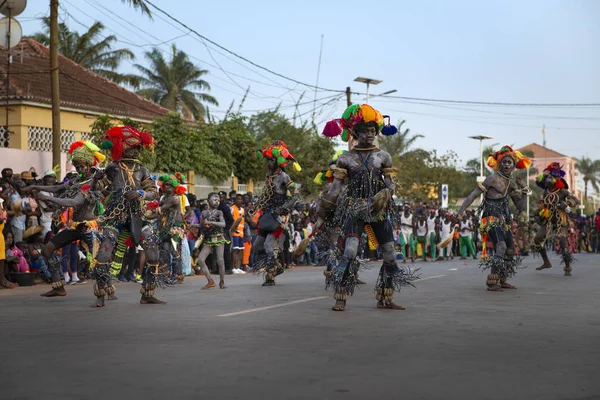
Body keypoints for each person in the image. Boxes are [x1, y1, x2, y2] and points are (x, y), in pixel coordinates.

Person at [316, 103, 417, 311]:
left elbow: (390, 184)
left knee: (389, 254)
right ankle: (341, 296)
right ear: (354, 133)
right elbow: (335, 190)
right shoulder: (345, 159)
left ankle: (385, 298)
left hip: (379, 211)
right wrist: (322, 214)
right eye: (365, 131)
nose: (370, 134)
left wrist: (386, 193)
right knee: (350, 252)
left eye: (373, 131)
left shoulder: (383, 156)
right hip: (355, 209)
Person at [22, 141, 106, 298]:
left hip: (89, 227)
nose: (80, 170)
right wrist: (36, 187)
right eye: (77, 166)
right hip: (74, 226)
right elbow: (57, 188)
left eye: (82, 166)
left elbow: (74, 202)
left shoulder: (94, 182)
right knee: (47, 249)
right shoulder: (75, 180)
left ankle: (101, 295)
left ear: (89, 164)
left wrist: (48, 199)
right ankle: (58, 286)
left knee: (96, 262)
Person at [96, 125, 164, 306]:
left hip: (138, 216)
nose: (135, 151)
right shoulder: (112, 168)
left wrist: (141, 193)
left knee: (153, 254)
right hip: (115, 217)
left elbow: (153, 192)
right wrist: (98, 183)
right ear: (122, 148)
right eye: (131, 148)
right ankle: (100, 295)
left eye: (137, 148)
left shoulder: (142, 170)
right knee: (103, 254)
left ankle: (148, 294)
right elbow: (99, 189)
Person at [457, 145, 530, 291]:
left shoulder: (512, 183)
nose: (507, 165)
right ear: (499, 163)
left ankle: (501, 279)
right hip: (490, 218)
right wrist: (460, 211)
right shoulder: (492, 179)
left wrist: (525, 191)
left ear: (514, 165)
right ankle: (492, 282)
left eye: (510, 162)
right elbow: (473, 195)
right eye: (504, 162)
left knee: (510, 249)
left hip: (504, 220)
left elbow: (520, 206)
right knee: (501, 246)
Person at [250, 140, 301, 286]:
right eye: (268, 160)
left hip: (279, 217)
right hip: (267, 215)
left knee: (267, 245)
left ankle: (270, 276)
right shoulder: (268, 176)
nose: (269, 163)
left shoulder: (284, 177)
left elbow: (296, 196)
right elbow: (265, 196)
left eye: (272, 160)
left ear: (279, 162)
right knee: (257, 245)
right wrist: (255, 209)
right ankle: (276, 266)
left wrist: (283, 208)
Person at [533, 162, 580, 276]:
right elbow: (544, 204)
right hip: (548, 219)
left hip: (561, 220)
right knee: (537, 239)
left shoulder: (562, 191)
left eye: (551, 177)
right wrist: (538, 210)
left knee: (563, 242)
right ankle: (546, 262)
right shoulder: (545, 192)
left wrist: (567, 203)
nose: (548, 179)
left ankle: (567, 265)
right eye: (546, 178)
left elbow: (576, 200)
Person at [156, 174, 186, 283]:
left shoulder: (175, 198)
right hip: (166, 227)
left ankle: (178, 275)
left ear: (174, 187)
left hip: (176, 227)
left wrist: (152, 211)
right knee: (164, 250)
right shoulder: (164, 198)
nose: (168, 187)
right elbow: (158, 210)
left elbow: (161, 209)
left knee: (175, 251)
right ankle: (166, 274)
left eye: (170, 185)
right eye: (166, 185)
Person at [196, 192, 228, 289]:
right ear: (208, 200)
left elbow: (223, 224)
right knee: (200, 260)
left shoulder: (219, 212)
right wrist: (193, 226)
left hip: (219, 237)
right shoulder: (204, 213)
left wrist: (210, 222)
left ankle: (222, 282)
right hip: (209, 238)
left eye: (218, 200)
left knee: (220, 260)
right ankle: (210, 281)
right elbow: (202, 225)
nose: (217, 202)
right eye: (214, 200)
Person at [230, 194, 246, 274]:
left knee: (239, 250)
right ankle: (233, 268)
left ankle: (238, 267)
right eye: (237, 199)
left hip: (241, 232)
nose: (238, 200)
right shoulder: (232, 208)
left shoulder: (243, 210)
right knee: (235, 250)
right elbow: (230, 219)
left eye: (240, 199)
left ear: (242, 200)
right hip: (235, 232)